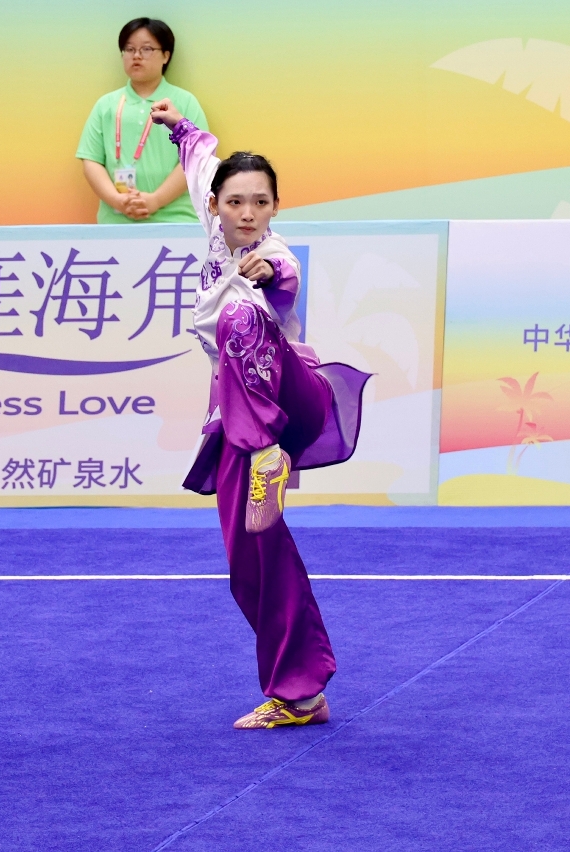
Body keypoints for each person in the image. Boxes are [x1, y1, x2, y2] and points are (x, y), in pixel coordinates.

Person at [150, 98, 370, 730]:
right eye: (236, 202)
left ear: (276, 207)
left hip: (291, 400)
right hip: (236, 421)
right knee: (251, 558)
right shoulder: (214, 222)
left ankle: (267, 454)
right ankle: (300, 692)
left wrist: (267, 271)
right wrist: (178, 125)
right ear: (216, 206)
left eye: (261, 203)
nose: (247, 213)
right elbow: (200, 158)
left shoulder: (277, 256)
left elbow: (281, 280)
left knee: (240, 313)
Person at [77, 18, 207, 224]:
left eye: (146, 49)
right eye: (129, 49)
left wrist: (156, 200)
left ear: (166, 56)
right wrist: (118, 201)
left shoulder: (184, 102)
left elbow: (196, 158)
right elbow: (91, 160)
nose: (136, 56)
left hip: (176, 220)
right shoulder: (106, 105)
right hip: (116, 221)